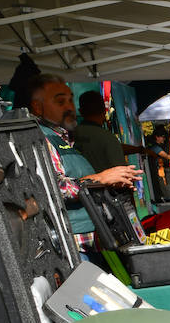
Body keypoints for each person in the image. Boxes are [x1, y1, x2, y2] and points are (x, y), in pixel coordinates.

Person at [26, 74, 141, 251]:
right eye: (60, 102)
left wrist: (108, 185)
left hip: (93, 239)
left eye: (71, 101)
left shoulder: (64, 138)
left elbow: (79, 181)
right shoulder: (41, 138)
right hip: (72, 246)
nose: (70, 107)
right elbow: (53, 188)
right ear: (37, 106)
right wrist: (100, 179)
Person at [72, 90, 142, 173]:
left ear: (80, 111)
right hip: (105, 184)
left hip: (78, 183)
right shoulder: (106, 137)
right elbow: (121, 172)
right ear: (104, 110)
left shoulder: (71, 135)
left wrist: (139, 149)